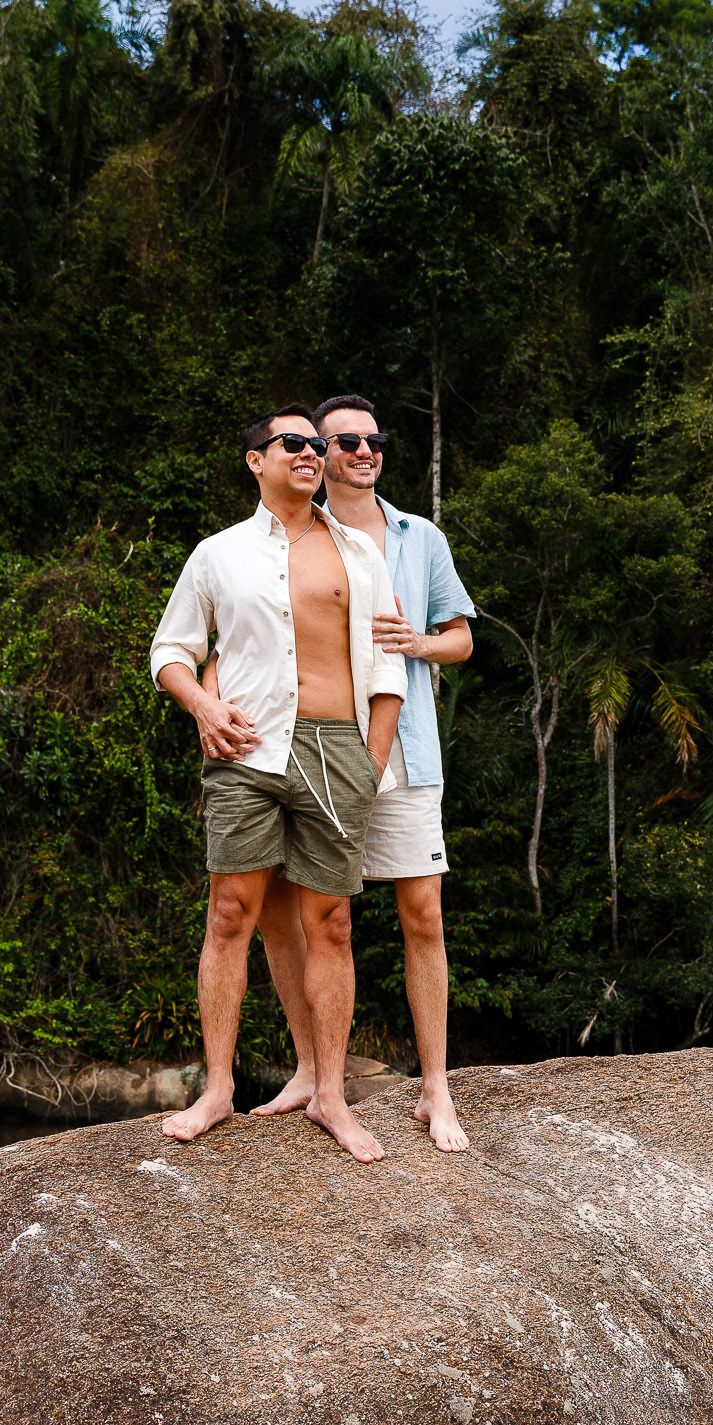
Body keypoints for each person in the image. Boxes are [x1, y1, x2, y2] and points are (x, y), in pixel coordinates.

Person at [207, 394, 477, 1151]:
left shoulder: (414, 538)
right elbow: (235, 639)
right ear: (313, 455)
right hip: (297, 753)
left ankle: (434, 1088)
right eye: (344, 441)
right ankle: (309, 1071)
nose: (363, 451)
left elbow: (458, 639)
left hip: (403, 750)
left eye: (374, 440)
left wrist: (415, 643)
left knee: (421, 913)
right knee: (292, 916)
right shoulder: (283, 537)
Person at [148, 404, 406, 1162]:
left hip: (337, 750)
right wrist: (200, 702)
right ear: (255, 460)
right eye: (291, 442)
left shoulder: (358, 551)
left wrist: (371, 760)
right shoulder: (217, 554)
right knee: (231, 913)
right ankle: (219, 1090)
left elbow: (388, 664)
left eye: (315, 443)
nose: (310, 451)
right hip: (246, 750)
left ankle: (329, 1094)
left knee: (331, 924)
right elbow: (170, 647)